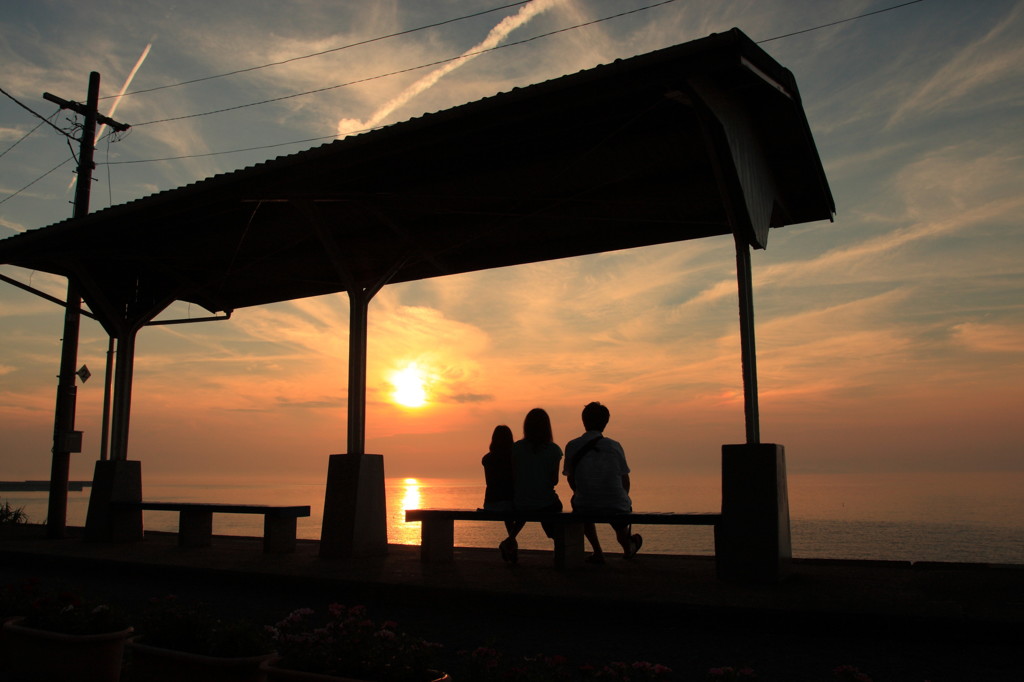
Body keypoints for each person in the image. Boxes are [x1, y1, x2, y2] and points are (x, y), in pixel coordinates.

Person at [563, 401, 641, 563]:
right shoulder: (614, 446)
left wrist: (582, 491)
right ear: (605, 423)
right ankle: (628, 547)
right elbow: (624, 479)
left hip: (585, 504)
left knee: (581, 504)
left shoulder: (572, 446)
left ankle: (598, 551)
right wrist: (623, 497)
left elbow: (571, 479)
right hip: (615, 504)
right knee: (615, 503)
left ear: (583, 421)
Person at [500, 408, 563, 564]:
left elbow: (514, 476)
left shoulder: (516, 448)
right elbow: (554, 480)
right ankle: (558, 546)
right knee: (551, 506)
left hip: (522, 502)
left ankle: (510, 539)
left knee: (527, 506)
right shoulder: (554, 450)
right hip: (545, 503)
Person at [481, 425, 520, 550]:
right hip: (511, 503)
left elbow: (491, 484)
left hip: (490, 504)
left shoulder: (487, 459)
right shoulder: (515, 458)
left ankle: (511, 542)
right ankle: (511, 541)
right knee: (513, 510)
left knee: (506, 510)